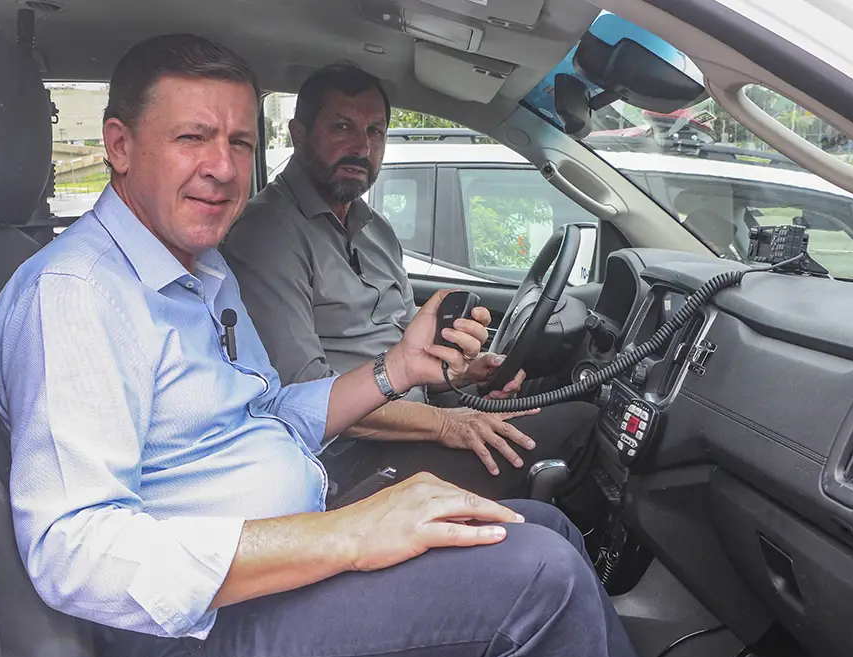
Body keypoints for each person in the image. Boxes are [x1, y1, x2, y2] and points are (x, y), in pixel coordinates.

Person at [0, 33, 650, 657]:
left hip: (284, 561)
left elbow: (271, 409)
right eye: (192, 138)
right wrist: (348, 536)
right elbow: (74, 552)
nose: (222, 167)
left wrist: (400, 370)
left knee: (548, 529)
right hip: (187, 635)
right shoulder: (75, 296)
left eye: (239, 142)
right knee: (543, 582)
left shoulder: (200, 272)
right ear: (120, 146)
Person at [223, 63, 599, 501]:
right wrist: (445, 424)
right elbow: (305, 401)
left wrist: (466, 377)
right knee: (581, 424)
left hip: (415, 423)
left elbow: (409, 358)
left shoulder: (375, 230)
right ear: (299, 134)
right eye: (342, 127)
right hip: (349, 459)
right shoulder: (267, 234)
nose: (362, 147)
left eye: (376, 131)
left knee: (573, 395)